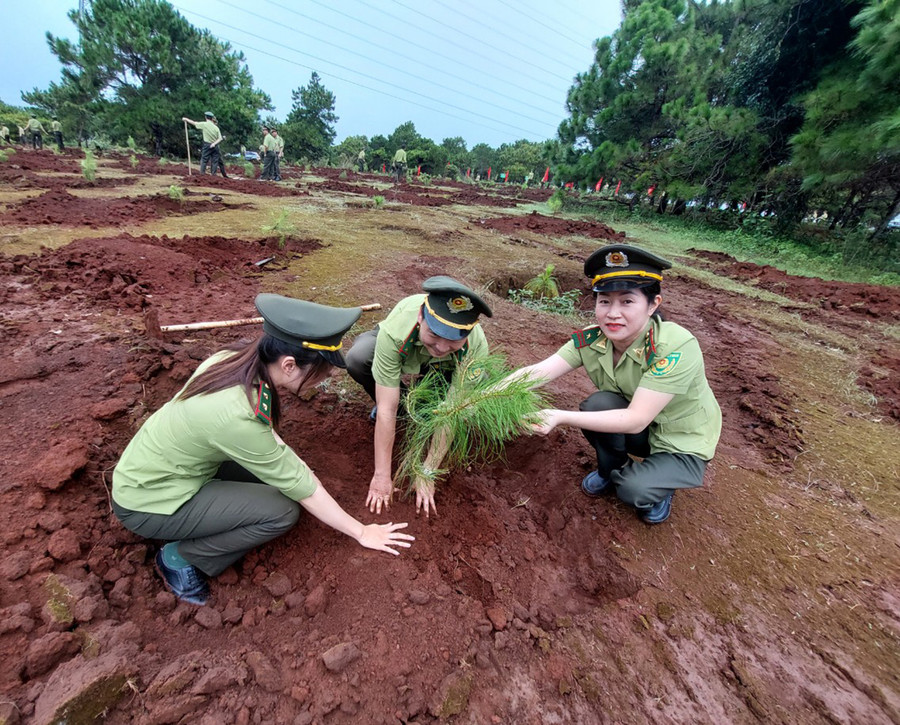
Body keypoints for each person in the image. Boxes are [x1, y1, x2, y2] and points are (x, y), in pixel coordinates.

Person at [111, 294, 414, 605]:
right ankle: (180, 558)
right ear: (289, 365)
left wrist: (296, 469)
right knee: (281, 511)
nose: (328, 377)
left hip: (163, 469)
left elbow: (269, 441)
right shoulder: (236, 415)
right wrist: (361, 531)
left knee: (280, 479)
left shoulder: (233, 359)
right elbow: (302, 486)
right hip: (149, 501)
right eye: (323, 371)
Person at [508, 244, 721, 524]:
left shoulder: (675, 346)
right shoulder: (592, 339)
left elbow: (636, 419)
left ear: (653, 304)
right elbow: (538, 371)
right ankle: (612, 470)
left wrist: (557, 416)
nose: (612, 313)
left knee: (634, 490)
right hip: (641, 429)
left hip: (681, 440)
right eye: (605, 301)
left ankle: (660, 487)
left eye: (627, 301)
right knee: (598, 405)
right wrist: (484, 395)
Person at [346, 277, 492, 517]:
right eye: (434, 334)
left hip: (443, 371)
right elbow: (386, 411)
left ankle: (426, 406)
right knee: (359, 357)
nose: (442, 347)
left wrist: (428, 471)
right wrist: (381, 476)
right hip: (405, 353)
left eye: (454, 339)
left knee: (480, 381)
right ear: (421, 317)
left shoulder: (475, 346)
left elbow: (451, 411)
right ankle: (406, 407)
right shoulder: (396, 331)